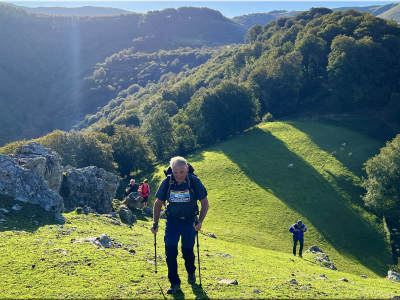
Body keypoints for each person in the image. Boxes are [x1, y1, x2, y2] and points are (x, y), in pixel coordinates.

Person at [151, 156, 209, 295]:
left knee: (187, 252)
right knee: (170, 252)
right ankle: (174, 283)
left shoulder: (194, 181)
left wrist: (200, 222)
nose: (178, 176)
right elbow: (158, 204)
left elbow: (205, 203)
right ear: (171, 170)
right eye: (175, 173)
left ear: (186, 169)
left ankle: (191, 272)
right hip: (172, 222)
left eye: (181, 172)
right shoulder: (167, 182)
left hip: (189, 222)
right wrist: (155, 223)